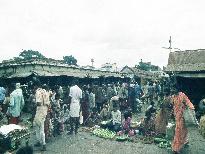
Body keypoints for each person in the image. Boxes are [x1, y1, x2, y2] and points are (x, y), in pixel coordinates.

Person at [170, 87, 195, 154]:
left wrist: (191, 108)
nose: (172, 90)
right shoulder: (173, 96)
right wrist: (172, 114)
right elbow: (173, 106)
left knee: (183, 130)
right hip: (177, 116)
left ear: (177, 89)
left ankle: (184, 142)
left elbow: (188, 102)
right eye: (172, 89)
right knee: (178, 131)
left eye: (174, 89)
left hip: (183, 116)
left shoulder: (182, 95)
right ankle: (176, 148)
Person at [33, 80, 50, 151]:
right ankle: (38, 141)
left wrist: (34, 103)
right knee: (37, 126)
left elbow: (39, 103)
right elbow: (48, 103)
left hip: (40, 111)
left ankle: (43, 144)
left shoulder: (38, 92)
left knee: (40, 128)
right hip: (44, 111)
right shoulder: (45, 91)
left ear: (35, 86)